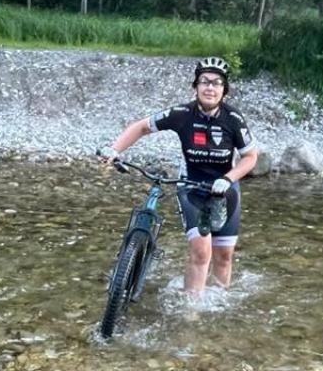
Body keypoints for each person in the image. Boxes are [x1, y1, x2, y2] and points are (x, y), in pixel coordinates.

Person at [102, 57, 259, 296]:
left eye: (217, 83)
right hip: (191, 187)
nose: (210, 87)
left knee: (224, 255)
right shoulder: (182, 114)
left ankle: (219, 304)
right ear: (195, 86)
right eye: (204, 81)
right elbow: (141, 127)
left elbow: (250, 157)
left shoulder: (233, 119)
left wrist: (228, 179)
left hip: (225, 188)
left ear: (224, 91)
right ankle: (191, 312)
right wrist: (115, 150)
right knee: (200, 252)